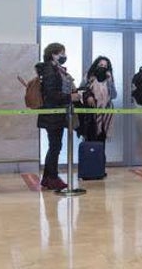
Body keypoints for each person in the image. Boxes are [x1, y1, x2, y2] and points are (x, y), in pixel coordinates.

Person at [35, 43, 81, 190]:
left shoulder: (55, 69)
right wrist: (70, 97)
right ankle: (52, 178)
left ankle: (48, 178)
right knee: (55, 146)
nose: (63, 56)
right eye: (61, 53)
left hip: (56, 113)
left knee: (55, 146)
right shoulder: (50, 70)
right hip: (52, 113)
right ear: (53, 54)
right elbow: (51, 94)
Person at [79, 56, 117, 141]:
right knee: (90, 139)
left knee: (101, 140)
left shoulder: (108, 79)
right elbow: (80, 90)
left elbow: (114, 95)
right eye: (101, 65)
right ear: (96, 66)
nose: (102, 67)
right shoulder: (88, 77)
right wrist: (88, 96)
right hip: (90, 114)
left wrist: (110, 81)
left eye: (105, 66)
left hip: (105, 114)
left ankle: (100, 154)